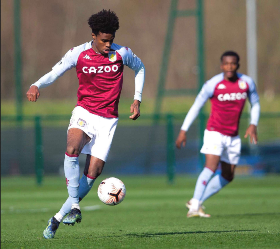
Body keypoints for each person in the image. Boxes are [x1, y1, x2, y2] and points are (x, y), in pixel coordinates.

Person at [26, 10, 145, 238]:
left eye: (111, 40)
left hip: (108, 120)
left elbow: (140, 68)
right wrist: (36, 85)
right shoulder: (78, 54)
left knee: (93, 172)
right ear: (93, 35)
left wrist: (137, 99)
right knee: (72, 148)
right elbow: (55, 71)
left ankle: (57, 219)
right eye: (103, 40)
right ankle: (76, 206)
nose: (108, 45)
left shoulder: (122, 53)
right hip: (85, 112)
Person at [176, 51, 260, 218]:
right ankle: (194, 207)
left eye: (233, 63)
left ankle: (196, 201)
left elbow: (255, 104)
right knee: (211, 166)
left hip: (233, 136)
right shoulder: (212, 84)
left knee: (228, 175)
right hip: (215, 132)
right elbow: (196, 106)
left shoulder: (247, 82)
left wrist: (253, 124)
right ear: (221, 65)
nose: (230, 66)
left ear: (238, 65)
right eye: (226, 64)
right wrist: (183, 130)